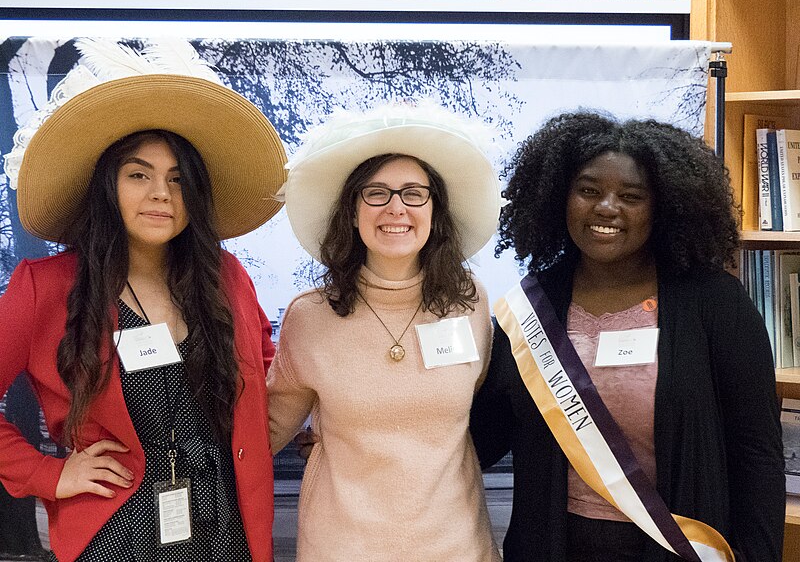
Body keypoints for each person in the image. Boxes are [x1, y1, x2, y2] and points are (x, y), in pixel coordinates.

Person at [470, 111, 785, 562]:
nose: (606, 207)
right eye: (589, 191)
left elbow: (756, 453)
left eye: (631, 196)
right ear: (561, 198)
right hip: (552, 547)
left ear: (664, 207)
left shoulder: (715, 302)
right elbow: (488, 433)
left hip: (680, 548)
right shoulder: (531, 306)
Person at [0, 73, 287, 562]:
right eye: (139, 174)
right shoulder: (44, 287)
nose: (161, 193)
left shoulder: (226, 278)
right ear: (107, 186)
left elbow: (270, 377)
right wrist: (49, 474)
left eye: (178, 179)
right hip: (116, 536)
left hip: (228, 531)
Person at [268, 102, 503, 561]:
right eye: (376, 193)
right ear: (352, 212)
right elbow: (266, 430)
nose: (396, 207)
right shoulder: (310, 316)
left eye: (414, 193)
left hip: (456, 546)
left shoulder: (469, 301)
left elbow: (477, 408)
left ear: (436, 211)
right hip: (341, 547)